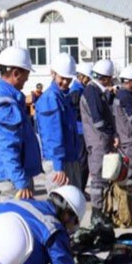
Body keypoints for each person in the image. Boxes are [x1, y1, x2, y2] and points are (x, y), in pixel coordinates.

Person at [0, 47, 42, 201]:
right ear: (16, 73)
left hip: (13, 177)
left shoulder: (5, 98)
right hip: (12, 181)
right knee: (17, 221)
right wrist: (21, 182)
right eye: (26, 75)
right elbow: (8, 147)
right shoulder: (5, 104)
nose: (27, 80)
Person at [36, 53, 81, 192]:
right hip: (58, 163)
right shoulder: (50, 99)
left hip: (70, 158)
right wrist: (58, 167)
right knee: (61, 208)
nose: (65, 83)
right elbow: (52, 136)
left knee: (73, 206)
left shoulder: (63, 98)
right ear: (53, 74)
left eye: (68, 79)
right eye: (62, 78)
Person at [80, 59, 116, 220]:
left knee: (102, 180)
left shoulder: (96, 91)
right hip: (98, 142)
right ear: (107, 78)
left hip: (101, 141)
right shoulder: (92, 92)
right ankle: (97, 214)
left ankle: (102, 211)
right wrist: (112, 135)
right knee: (98, 181)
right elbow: (99, 121)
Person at [70, 62, 92, 190]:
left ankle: (81, 188)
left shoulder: (81, 89)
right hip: (79, 132)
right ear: (81, 76)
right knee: (82, 162)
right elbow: (77, 112)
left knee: (84, 162)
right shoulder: (76, 91)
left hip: (83, 130)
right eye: (87, 78)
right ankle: (79, 189)